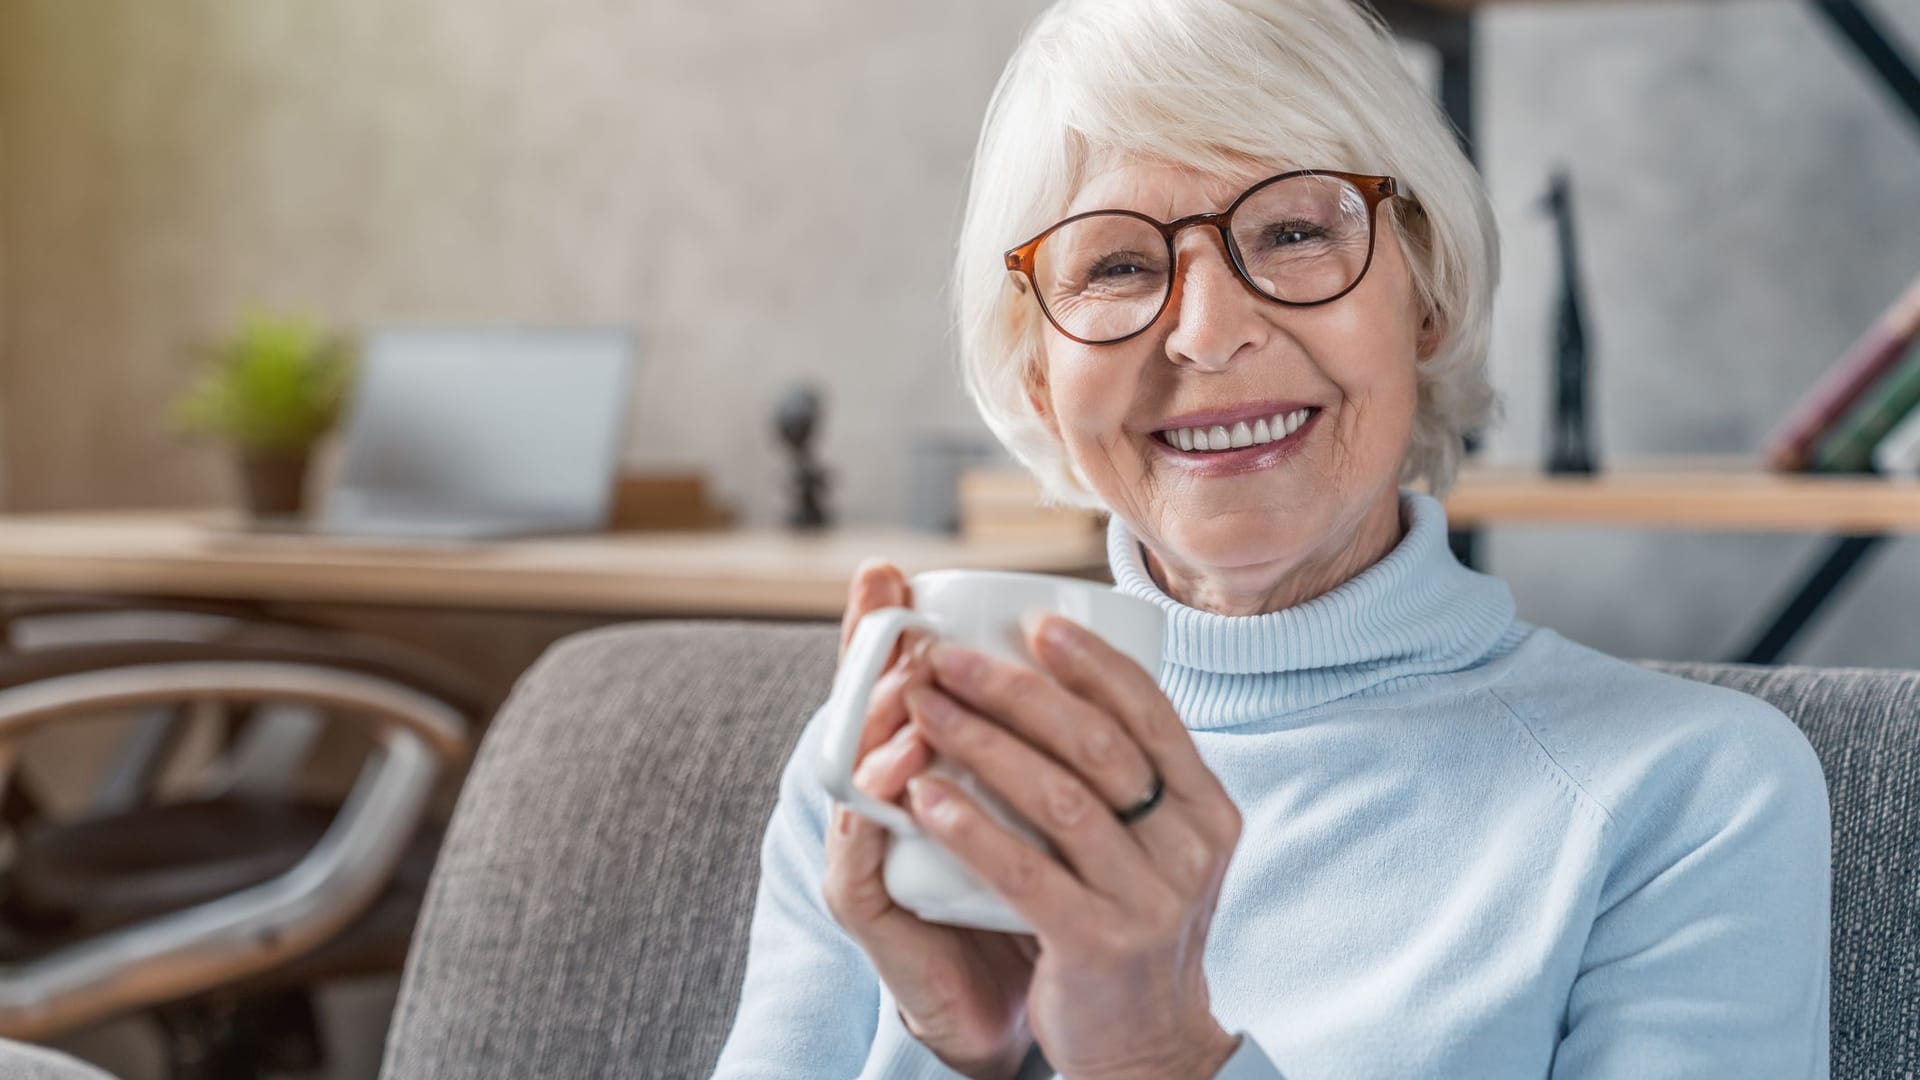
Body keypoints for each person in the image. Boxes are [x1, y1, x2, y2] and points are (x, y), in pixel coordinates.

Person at [714, 0, 1831, 1075]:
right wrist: (956, 1055)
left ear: (1426, 295)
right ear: (1039, 374)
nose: (1207, 334)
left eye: (1294, 230)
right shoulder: (887, 765)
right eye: (1116, 265)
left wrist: (1160, 1061)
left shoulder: (1695, 796)